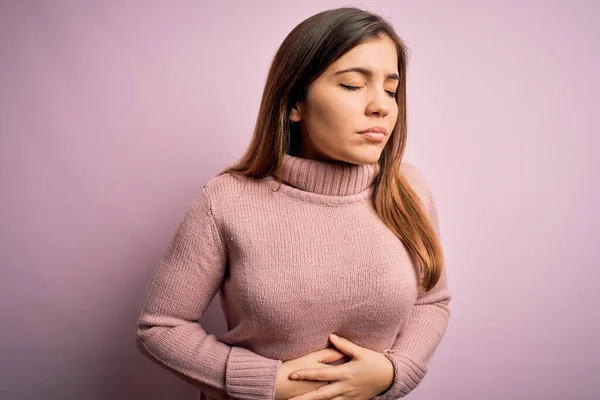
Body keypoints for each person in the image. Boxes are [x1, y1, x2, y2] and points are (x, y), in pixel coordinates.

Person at [134, 6, 451, 400]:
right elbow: (160, 327)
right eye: (353, 85)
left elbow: (432, 301)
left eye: (390, 88)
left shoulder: (409, 190)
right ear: (294, 103)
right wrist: (268, 382)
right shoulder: (226, 200)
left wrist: (393, 371)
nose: (381, 105)